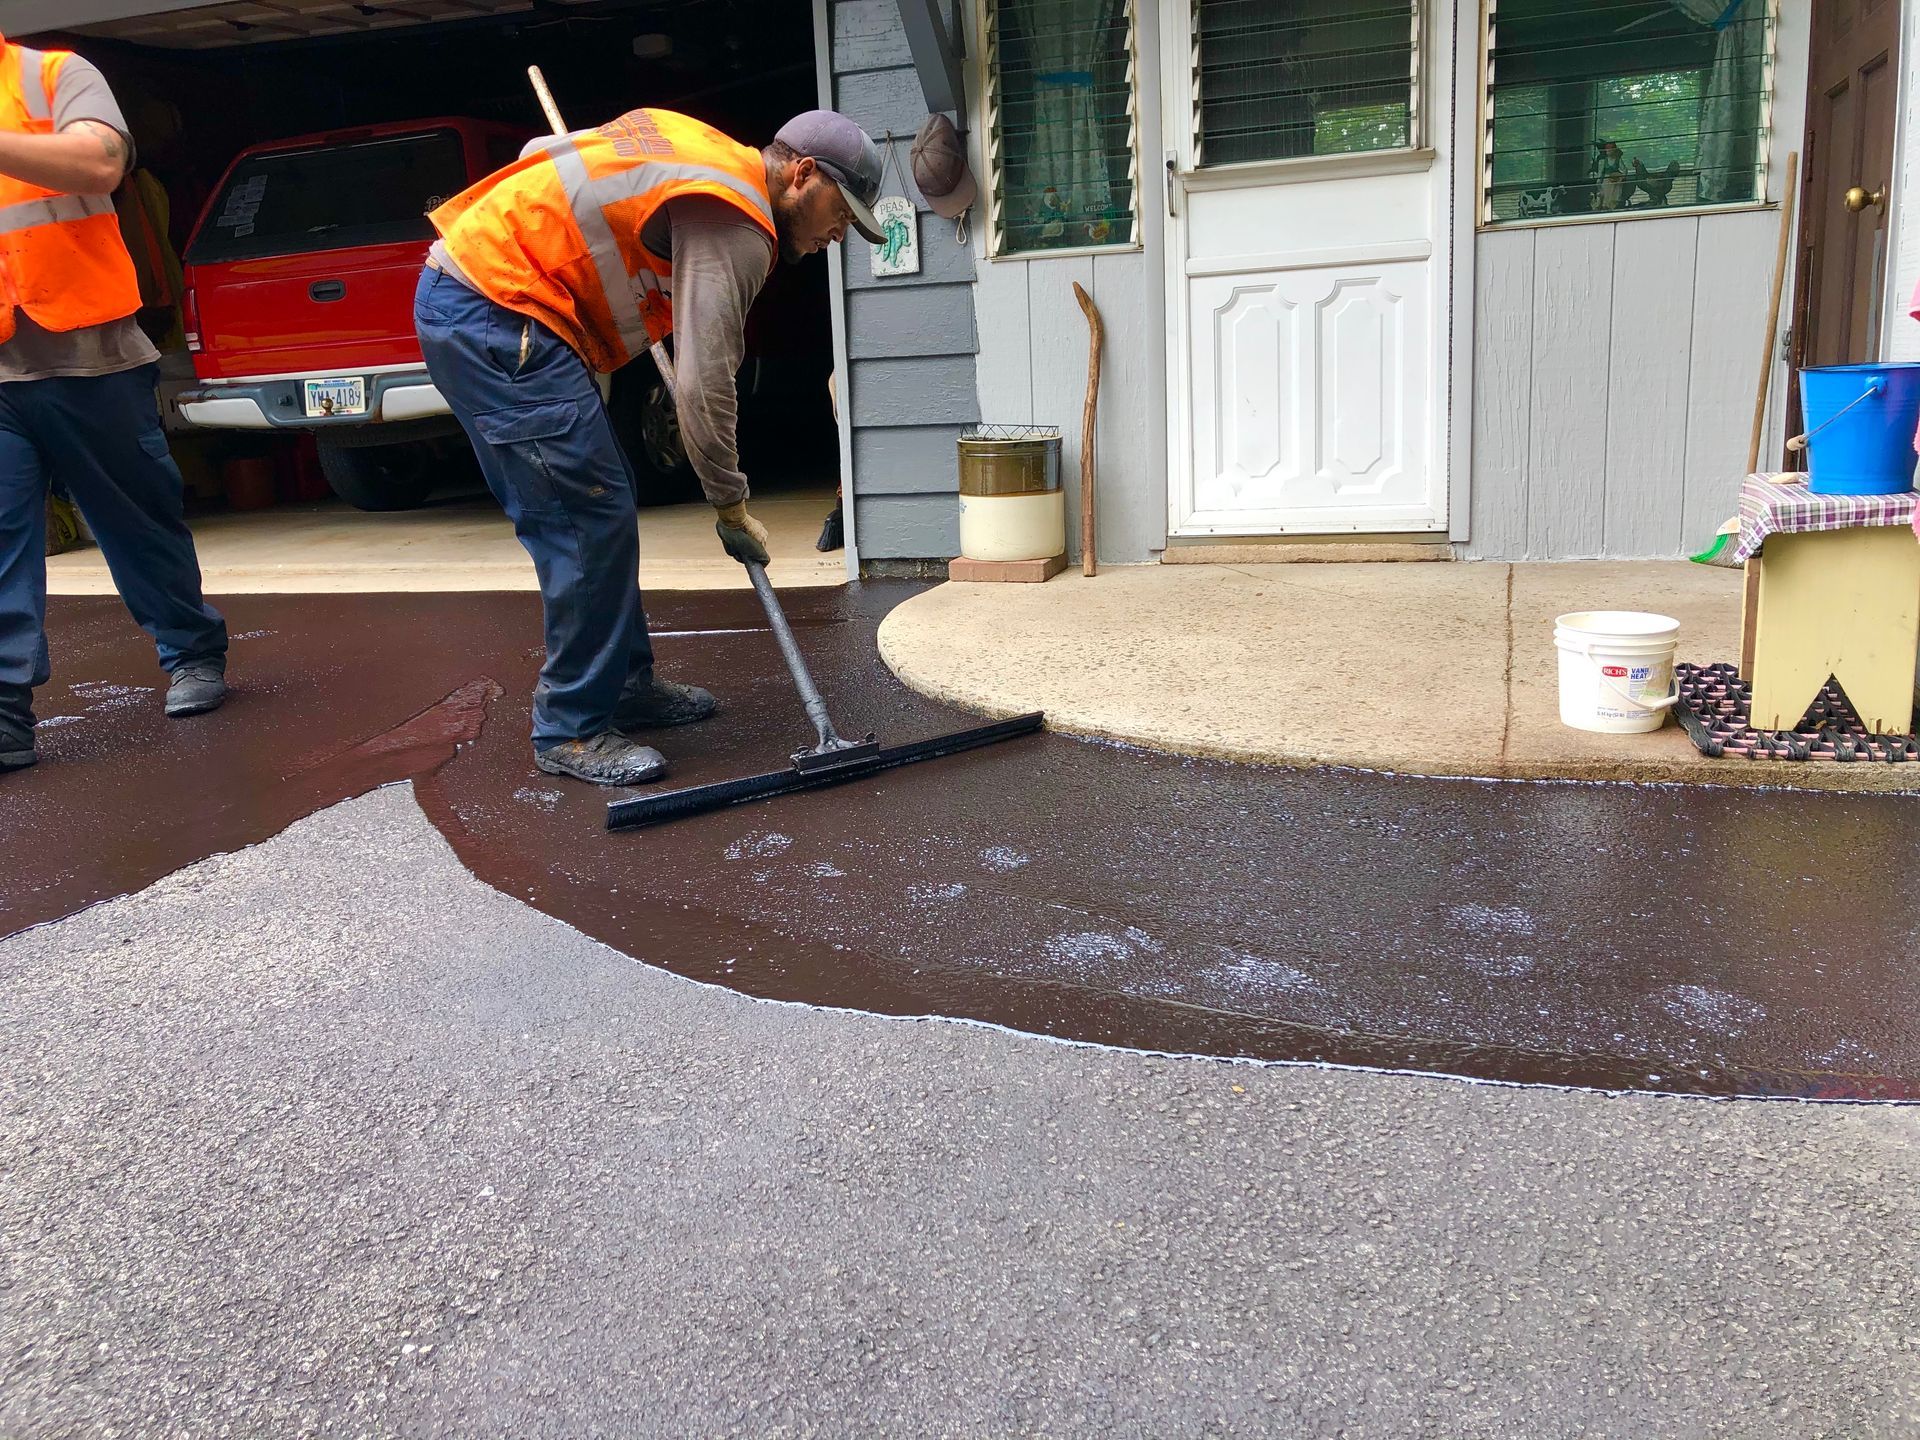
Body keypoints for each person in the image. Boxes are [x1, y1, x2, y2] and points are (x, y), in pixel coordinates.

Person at [416, 107, 882, 785]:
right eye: (841, 213)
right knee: (584, 516)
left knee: (602, 500)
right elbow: (703, 385)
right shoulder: (739, 223)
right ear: (802, 176)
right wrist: (730, 504)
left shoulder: (705, 147)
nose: (840, 235)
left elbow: (544, 151)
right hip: (495, 311)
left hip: (486, 299)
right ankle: (571, 729)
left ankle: (623, 687)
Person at [0, 33, 228, 774]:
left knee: (136, 521)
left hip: (87, 354)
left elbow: (100, 162)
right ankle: (5, 712)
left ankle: (191, 650)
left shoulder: (54, 76)